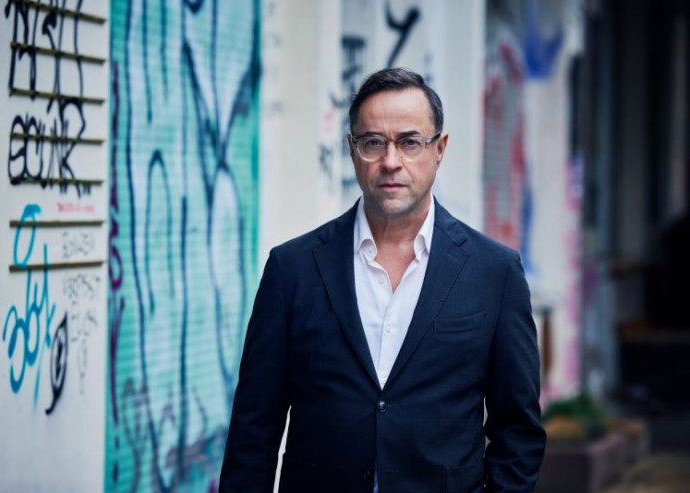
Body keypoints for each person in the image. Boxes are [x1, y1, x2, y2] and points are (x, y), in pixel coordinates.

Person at [220, 67, 545, 492]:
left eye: (410, 142)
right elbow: (254, 428)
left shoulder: (495, 272)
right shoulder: (292, 269)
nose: (391, 161)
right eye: (373, 142)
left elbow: (518, 429)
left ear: (440, 148)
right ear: (352, 149)